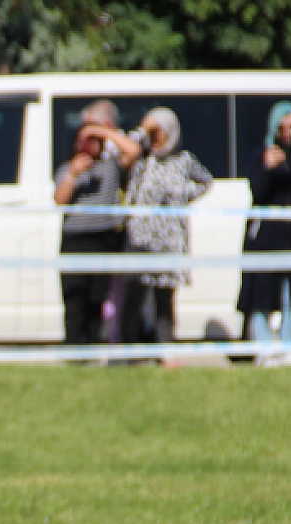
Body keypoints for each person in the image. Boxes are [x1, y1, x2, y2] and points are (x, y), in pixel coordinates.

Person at [121, 108, 213, 357]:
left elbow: (206, 182)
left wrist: (183, 195)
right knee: (134, 299)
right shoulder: (142, 160)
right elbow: (126, 150)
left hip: (169, 241)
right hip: (140, 240)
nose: (156, 138)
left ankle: (166, 352)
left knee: (164, 302)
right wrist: (143, 130)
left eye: (159, 131)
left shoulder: (184, 160)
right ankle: (127, 354)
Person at [237, 101, 291, 364]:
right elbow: (258, 191)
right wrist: (267, 166)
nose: (287, 133)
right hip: (265, 238)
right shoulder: (259, 155)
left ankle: (290, 345)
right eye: (282, 127)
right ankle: (265, 348)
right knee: (261, 294)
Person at [53, 100, 141, 348]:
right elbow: (59, 201)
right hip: (75, 238)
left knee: (96, 299)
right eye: (83, 138)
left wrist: (100, 130)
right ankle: (73, 350)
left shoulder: (111, 166)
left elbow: (132, 151)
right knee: (74, 298)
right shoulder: (67, 169)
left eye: (93, 139)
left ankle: (91, 348)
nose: (87, 143)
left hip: (103, 238)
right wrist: (73, 174)